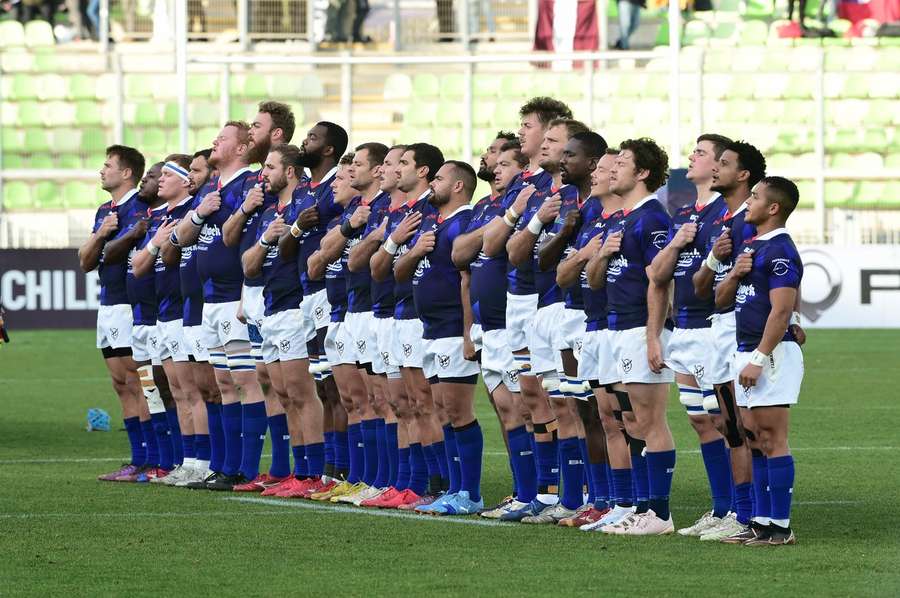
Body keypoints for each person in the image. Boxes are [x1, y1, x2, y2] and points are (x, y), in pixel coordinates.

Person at [479, 97, 573, 522]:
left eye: (532, 126)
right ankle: (542, 491)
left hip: (549, 302)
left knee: (563, 400)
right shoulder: (527, 188)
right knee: (530, 397)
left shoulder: (568, 191)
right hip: (518, 302)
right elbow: (500, 248)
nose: (523, 132)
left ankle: (569, 492)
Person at [586, 138, 676, 535]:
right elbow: (593, 281)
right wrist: (602, 254)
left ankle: (659, 513)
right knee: (627, 419)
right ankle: (639, 507)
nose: (613, 168)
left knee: (648, 421)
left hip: (640, 328)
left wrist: (653, 336)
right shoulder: (621, 219)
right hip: (614, 328)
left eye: (622, 162)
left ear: (642, 173)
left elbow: (662, 282)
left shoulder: (652, 218)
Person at [648, 134, 736, 538]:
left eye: (700, 153)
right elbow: (657, 274)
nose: (692, 157)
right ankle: (721, 509)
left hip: (711, 327)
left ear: (719, 165)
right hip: (682, 329)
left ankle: (739, 510)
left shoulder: (728, 212)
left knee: (724, 423)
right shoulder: (684, 213)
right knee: (702, 423)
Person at [504, 117, 591, 523]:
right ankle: (552, 493)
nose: (543, 146)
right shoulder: (540, 192)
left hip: (568, 310)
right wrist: (538, 219)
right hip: (538, 309)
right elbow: (517, 252)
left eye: (555, 141)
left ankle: (583, 496)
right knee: (541, 401)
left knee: (576, 405)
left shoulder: (584, 197)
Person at [173, 121, 263, 491]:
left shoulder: (250, 186)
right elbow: (180, 237)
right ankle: (224, 467)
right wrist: (199, 213)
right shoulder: (210, 188)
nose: (215, 141)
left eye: (222, 138)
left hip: (233, 300)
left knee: (245, 381)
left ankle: (248, 469)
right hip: (209, 302)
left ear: (240, 148)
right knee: (224, 383)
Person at [714, 176, 804, 546]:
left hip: (770, 354)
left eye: (754, 197)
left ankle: (780, 527)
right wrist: (735, 271)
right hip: (746, 351)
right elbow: (720, 299)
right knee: (753, 436)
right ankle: (762, 522)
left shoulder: (781, 250)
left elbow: (781, 312)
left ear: (773, 208)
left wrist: (759, 357)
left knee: (771, 437)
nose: (747, 202)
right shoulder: (753, 248)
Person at [691, 140, 769, 541]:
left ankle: (749, 514)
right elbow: (703, 287)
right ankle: (739, 511)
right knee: (726, 422)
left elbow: (775, 274)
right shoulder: (725, 221)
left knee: (743, 424)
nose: (715, 169)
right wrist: (715, 259)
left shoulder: (751, 221)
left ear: (743, 175)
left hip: (741, 333)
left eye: (724, 163)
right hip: (718, 328)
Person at [393, 160, 482, 515]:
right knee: (443, 411)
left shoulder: (464, 222)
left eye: (440, 179)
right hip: (429, 330)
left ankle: (470, 492)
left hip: (450, 329)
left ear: (458, 186)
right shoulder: (431, 223)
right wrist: (414, 249)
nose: (433, 185)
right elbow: (402, 272)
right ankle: (454, 487)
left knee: (458, 410)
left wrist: (467, 332)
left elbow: (467, 280)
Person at [451, 135, 533, 519]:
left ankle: (539, 493)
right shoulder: (486, 206)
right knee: (505, 409)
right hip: (487, 324)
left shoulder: (526, 200)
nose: (496, 168)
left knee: (524, 409)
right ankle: (523, 489)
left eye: (504, 164)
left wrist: (495, 229)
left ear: (522, 168)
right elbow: (461, 256)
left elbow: (496, 249)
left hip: (512, 321)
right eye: (494, 164)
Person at [535, 131, 610, 527]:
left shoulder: (602, 208)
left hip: (591, 318)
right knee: (580, 411)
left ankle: (614, 499)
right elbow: (546, 264)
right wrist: (565, 230)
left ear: (593, 162)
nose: (563, 161)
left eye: (571, 155)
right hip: (567, 313)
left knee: (603, 414)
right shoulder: (570, 206)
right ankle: (594, 498)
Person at [370, 143, 449, 511]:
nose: (394, 168)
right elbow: (377, 268)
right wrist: (392, 239)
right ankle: (409, 481)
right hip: (394, 316)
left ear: (422, 172)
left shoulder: (429, 211)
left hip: (419, 316)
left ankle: (436, 482)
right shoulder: (395, 215)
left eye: (402, 162)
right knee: (402, 403)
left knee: (424, 403)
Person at [222, 101, 296, 493]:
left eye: (257, 126)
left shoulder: (286, 180)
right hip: (252, 292)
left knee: (288, 385)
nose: (251, 133)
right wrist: (244, 210)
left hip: (282, 296)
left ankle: (297, 467)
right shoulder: (256, 186)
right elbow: (232, 240)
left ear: (277, 135)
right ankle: (277, 467)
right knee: (267, 381)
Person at [275, 121, 349, 496]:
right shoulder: (304, 191)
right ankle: (327, 471)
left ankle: (343, 470)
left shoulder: (342, 184)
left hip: (330, 292)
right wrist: (297, 228)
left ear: (329, 149)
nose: (304, 141)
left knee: (338, 386)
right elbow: (286, 251)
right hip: (308, 293)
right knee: (323, 385)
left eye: (313, 137)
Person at [132, 157, 206, 486]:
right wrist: (154, 243)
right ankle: (187, 459)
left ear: (186, 182)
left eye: (167, 175)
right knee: (176, 391)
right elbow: (138, 265)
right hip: (163, 314)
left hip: (183, 312)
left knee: (190, 390)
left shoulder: (192, 213)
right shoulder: (160, 217)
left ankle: (201, 461)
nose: (159, 180)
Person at [83, 145, 152, 483]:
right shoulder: (103, 212)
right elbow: (85, 261)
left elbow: (111, 255)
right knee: (120, 384)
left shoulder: (143, 207)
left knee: (137, 381)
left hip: (129, 305)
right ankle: (137, 459)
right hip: (108, 305)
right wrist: (101, 231)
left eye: (107, 165)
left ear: (126, 173)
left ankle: (150, 460)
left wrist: (112, 238)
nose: (102, 170)